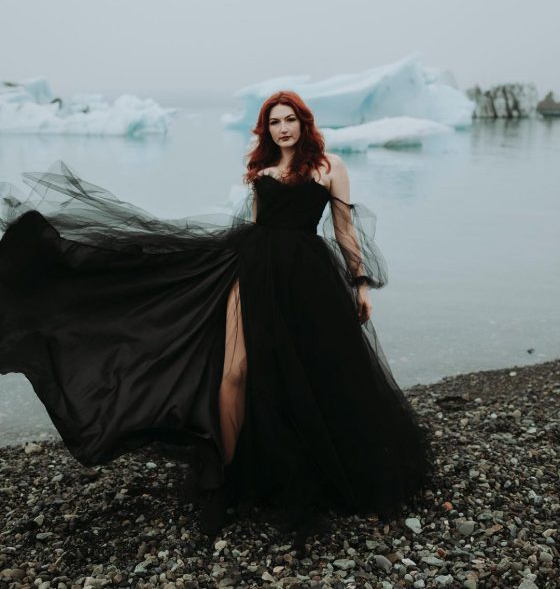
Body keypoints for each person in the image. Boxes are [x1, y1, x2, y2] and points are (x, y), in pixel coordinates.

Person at [0, 90, 435, 543]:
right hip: (251, 272)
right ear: (266, 129)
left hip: (308, 281)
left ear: (304, 123)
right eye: (274, 122)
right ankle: (226, 482)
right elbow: (254, 228)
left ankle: (319, 468)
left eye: (290, 120)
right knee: (234, 374)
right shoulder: (260, 172)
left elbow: (344, 229)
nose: (283, 128)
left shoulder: (330, 167)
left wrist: (360, 282)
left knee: (310, 376)